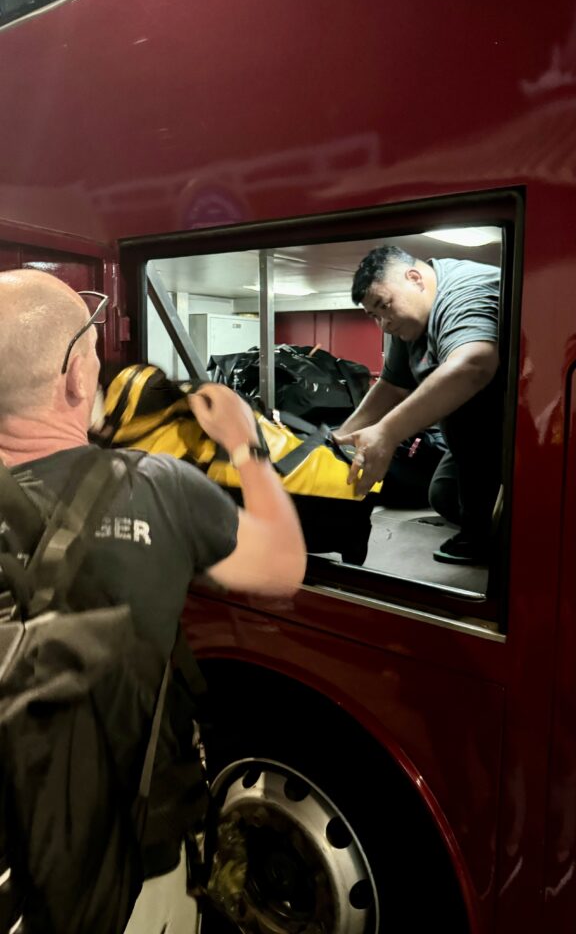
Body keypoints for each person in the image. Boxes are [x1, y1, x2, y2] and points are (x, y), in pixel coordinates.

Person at [0, 268, 306, 933]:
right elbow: (283, 566)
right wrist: (244, 446)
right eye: (93, 357)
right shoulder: (159, 486)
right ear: (77, 381)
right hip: (131, 862)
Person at [334, 245, 502, 565]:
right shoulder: (407, 321)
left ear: (414, 278)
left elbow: (474, 366)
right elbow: (391, 387)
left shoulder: (464, 293)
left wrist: (386, 433)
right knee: (444, 496)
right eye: (373, 315)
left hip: (524, 429)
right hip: (472, 433)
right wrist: (340, 437)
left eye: (384, 307)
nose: (383, 324)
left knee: (489, 515)